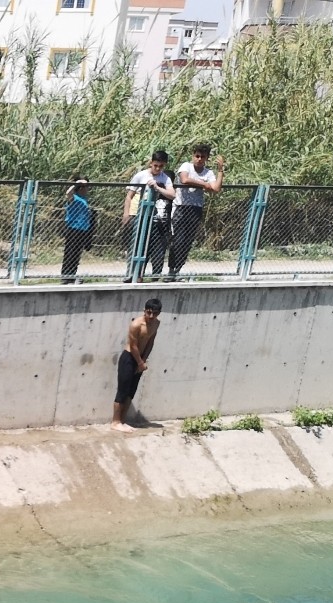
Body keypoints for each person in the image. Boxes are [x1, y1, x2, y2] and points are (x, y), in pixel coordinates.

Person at [167, 143, 225, 281]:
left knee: (187, 241)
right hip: (181, 207)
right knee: (178, 240)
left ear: (206, 158)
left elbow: (215, 188)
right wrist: (204, 184)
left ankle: (178, 270)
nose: (199, 159)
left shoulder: (208, 173)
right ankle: (171, 270)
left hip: (195, 208)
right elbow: (184, 179)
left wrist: (220, 170)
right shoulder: (186, 166)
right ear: (193, 156)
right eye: (197, 156)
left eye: (202, 157)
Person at [123, 150, 175, 282]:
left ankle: (149, 275)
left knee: (151, 246)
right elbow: (129, 195)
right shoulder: (140, 176)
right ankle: (132, 274)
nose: (157, 169)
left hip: (155, 218)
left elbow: (172, 194)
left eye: (161, 166)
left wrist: (157, 187)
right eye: (155, 165)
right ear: (151, 163)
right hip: (139, 215)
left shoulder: (165, 178)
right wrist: (126, 214)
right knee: (136, 245)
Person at [112, 298, 162, 431]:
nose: (151, 316)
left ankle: (122, 421)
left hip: (140, 360)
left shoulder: (156, 324)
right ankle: (115, 422)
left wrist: (143, 360)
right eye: (149, 312)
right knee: (122, 390)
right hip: (129, 358)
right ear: (144, 310)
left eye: (155, 313)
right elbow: (133, 346)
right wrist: (140, 362)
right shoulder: (136, 324)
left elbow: (150, 342)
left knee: (131, 391)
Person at [61, 177, 93, 283]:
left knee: (76, 254)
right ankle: (66, 276)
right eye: (84, 187)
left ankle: (72, 275)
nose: (86, 189)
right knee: (70, 252)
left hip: (83, 229)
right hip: (73, 228)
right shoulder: (74, 197)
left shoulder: (85, 199)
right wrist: (77, 183)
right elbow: (68, 193)